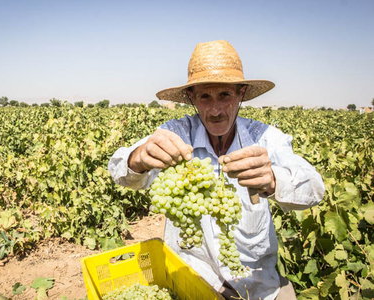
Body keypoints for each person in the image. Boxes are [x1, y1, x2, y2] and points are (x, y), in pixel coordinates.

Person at [108, 40, 324, 300]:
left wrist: (274, 180)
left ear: (241, 94)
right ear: (192, 98)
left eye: (225, 95)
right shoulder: (176, 132)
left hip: (258, 282)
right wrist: (138, 158)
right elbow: (119, 169)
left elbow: (314, 188)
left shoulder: (266, 138)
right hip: (195, 276)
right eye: (205, 97)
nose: (215, 110)